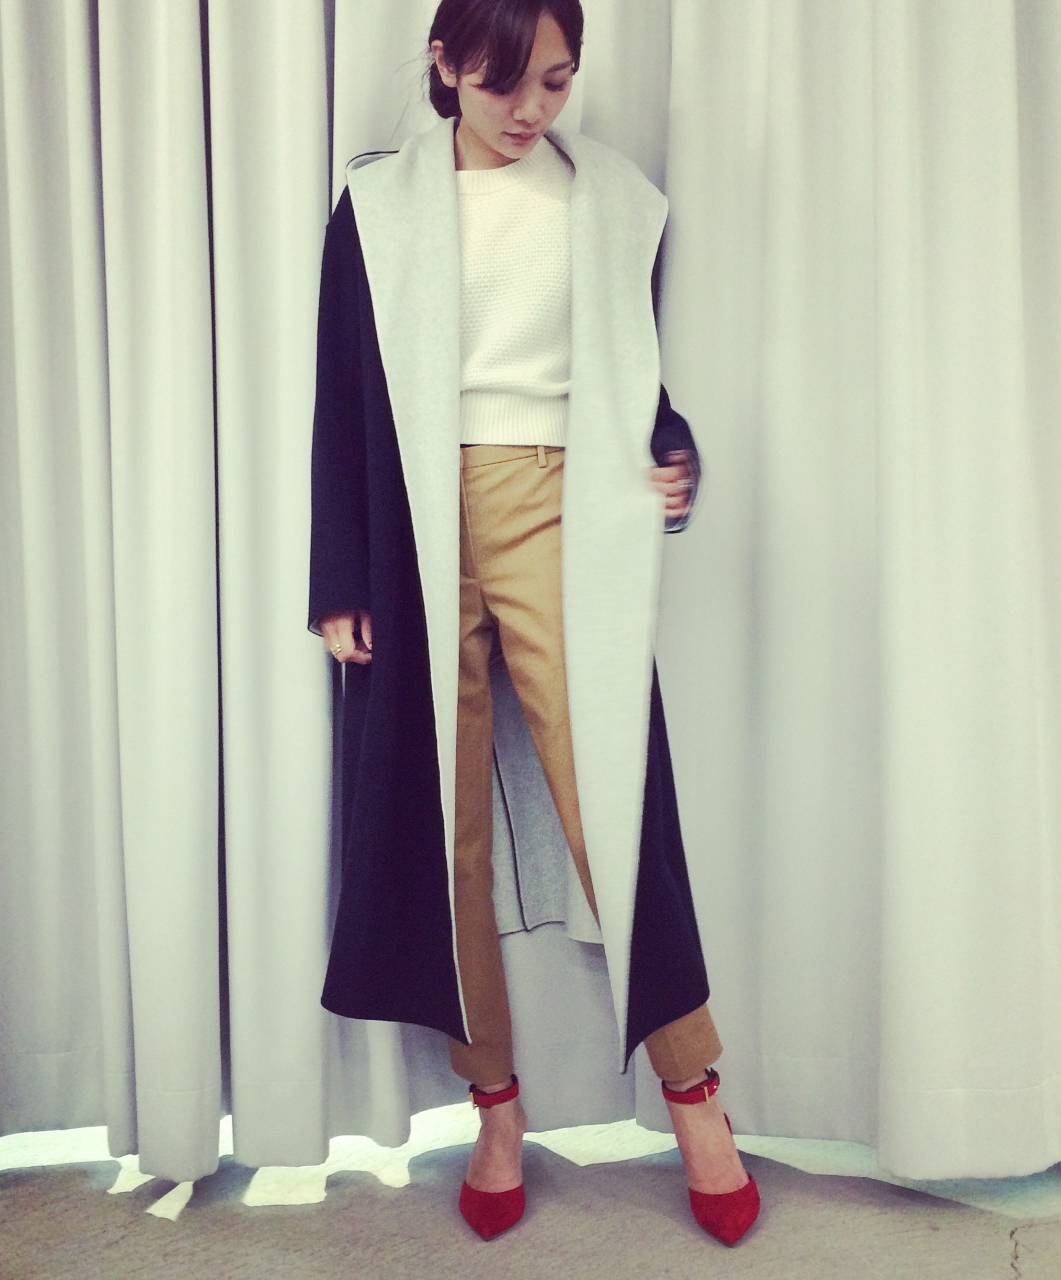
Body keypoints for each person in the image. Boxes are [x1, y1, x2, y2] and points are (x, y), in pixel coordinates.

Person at [308, 0, 759, 1247]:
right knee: (438, 826)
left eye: (556, 82)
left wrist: (670, 449)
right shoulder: (377, 204)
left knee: (609, 799)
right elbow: (342, 387)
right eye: (504, 82)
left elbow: (627, 369)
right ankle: (493, 1106)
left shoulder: (609, 199)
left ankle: (694, 1092)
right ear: (444, 63)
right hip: (412, 516)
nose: (530, 109)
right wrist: (340, 574)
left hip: (557, 500)